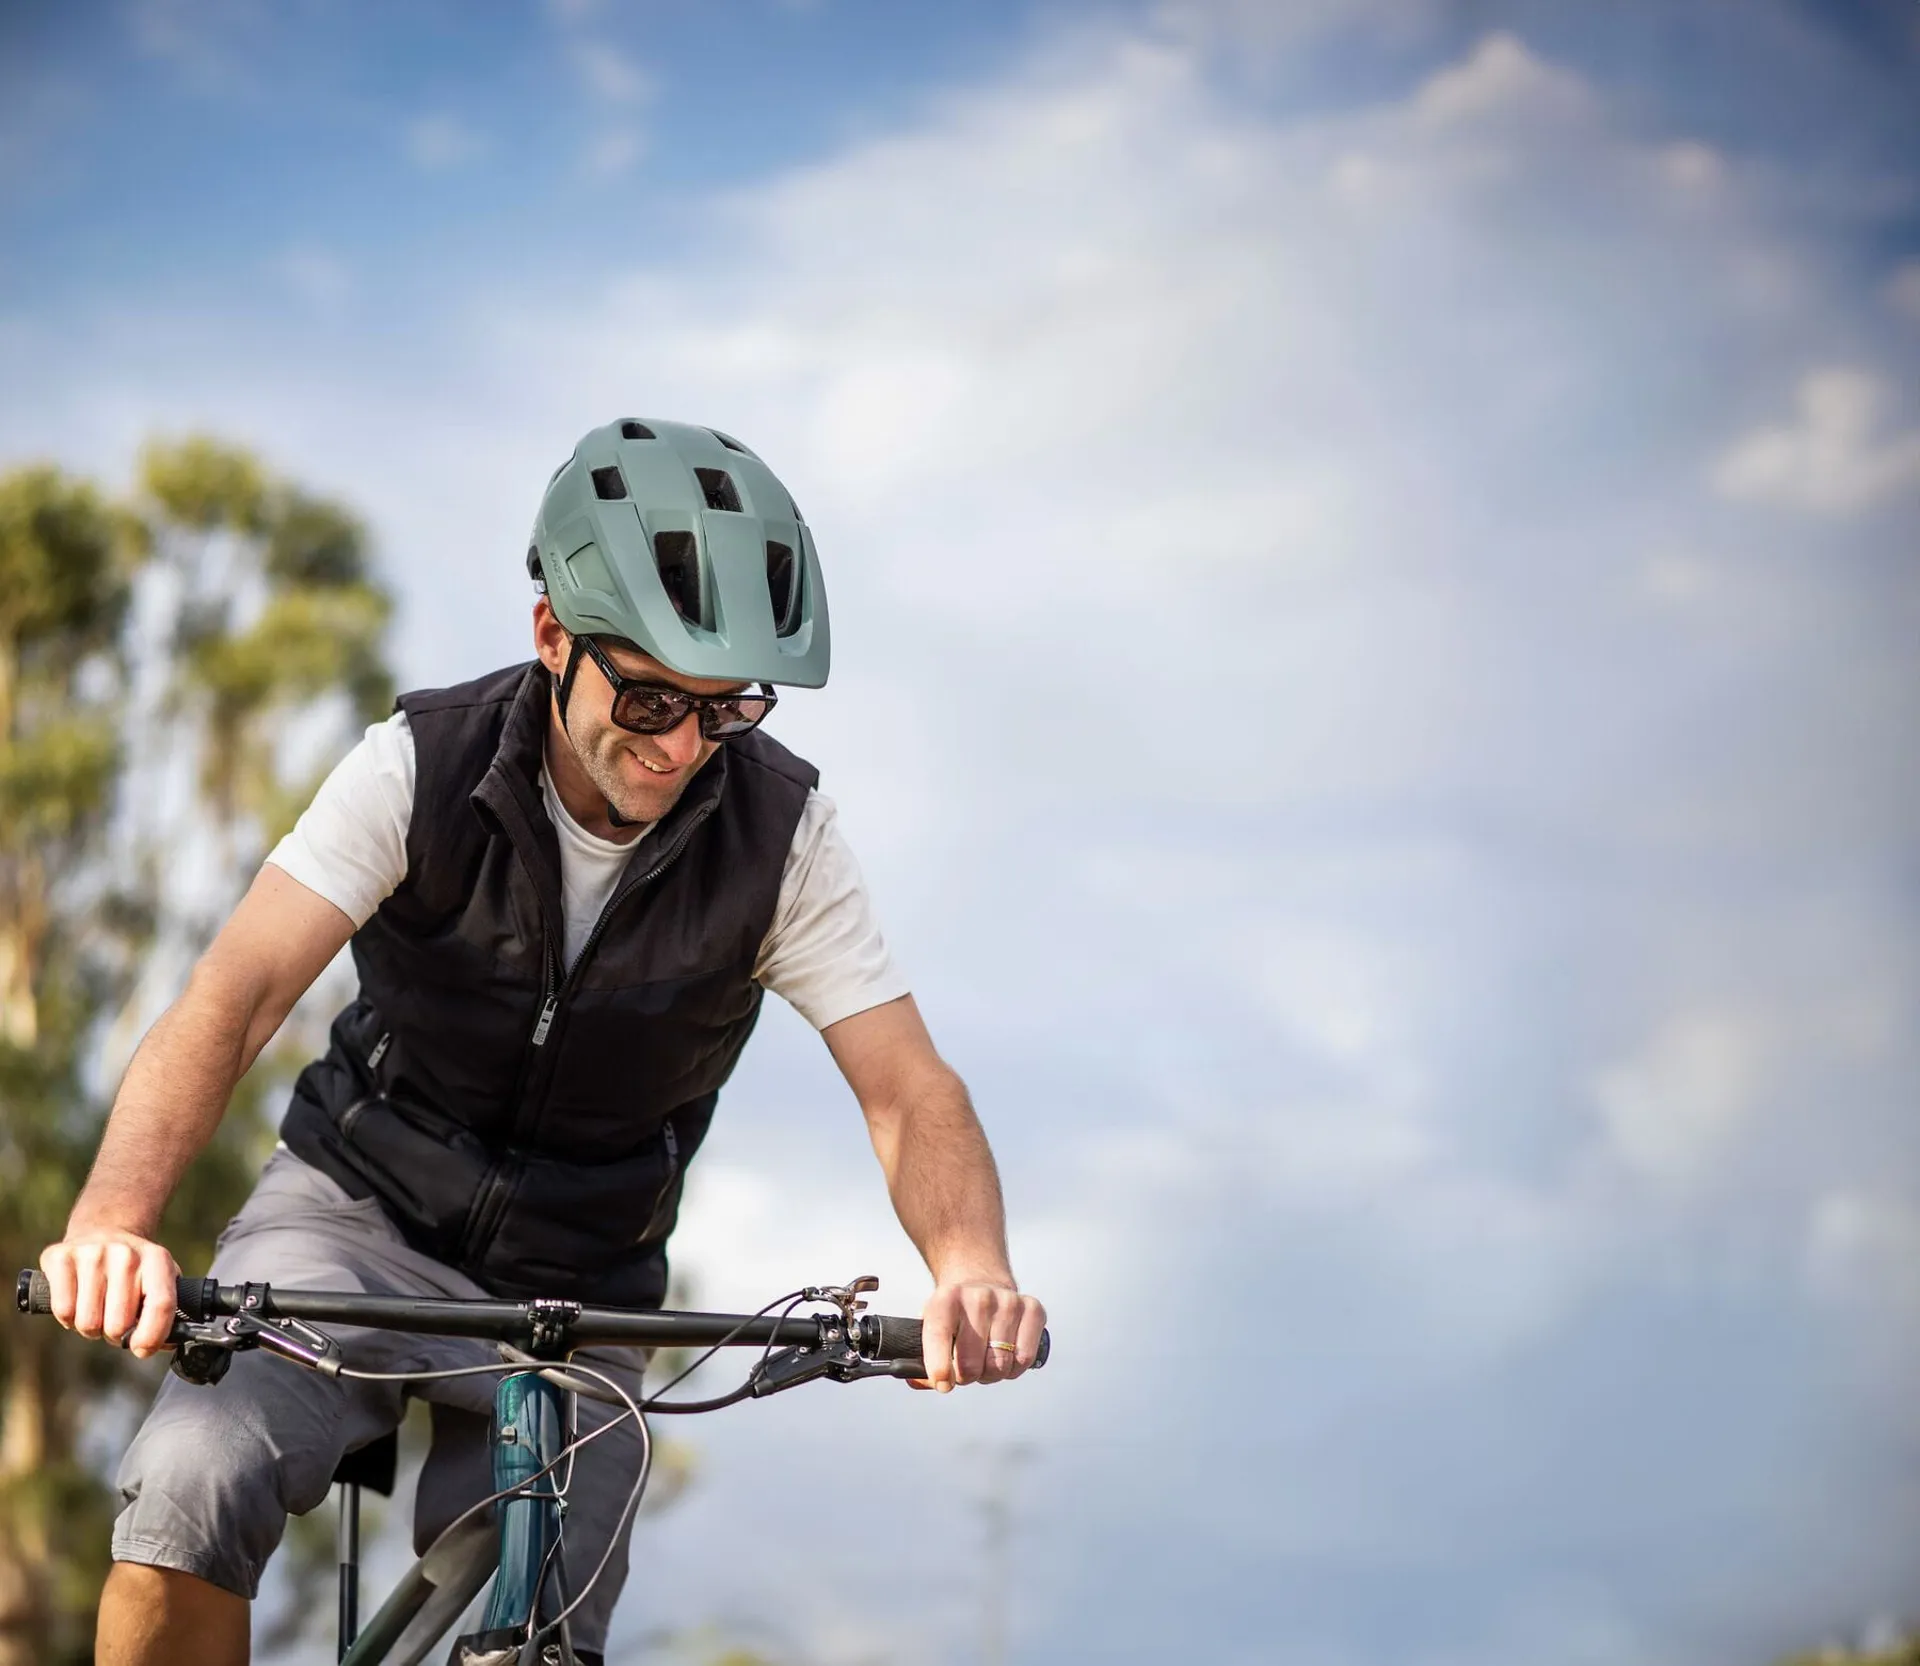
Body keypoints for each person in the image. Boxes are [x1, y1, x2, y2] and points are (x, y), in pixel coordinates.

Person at [38, 418, 1048, 1666]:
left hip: (582, 1286)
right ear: (553, 637)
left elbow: (906, 1089)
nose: (682, 746)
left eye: (727, 707)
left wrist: (970, 1263)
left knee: (543, 1623)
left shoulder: (784, 839)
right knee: (189, 1488)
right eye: (650, 697)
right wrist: (113, 1222)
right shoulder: (418, 766)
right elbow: (234, 994)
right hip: (350, 1220)